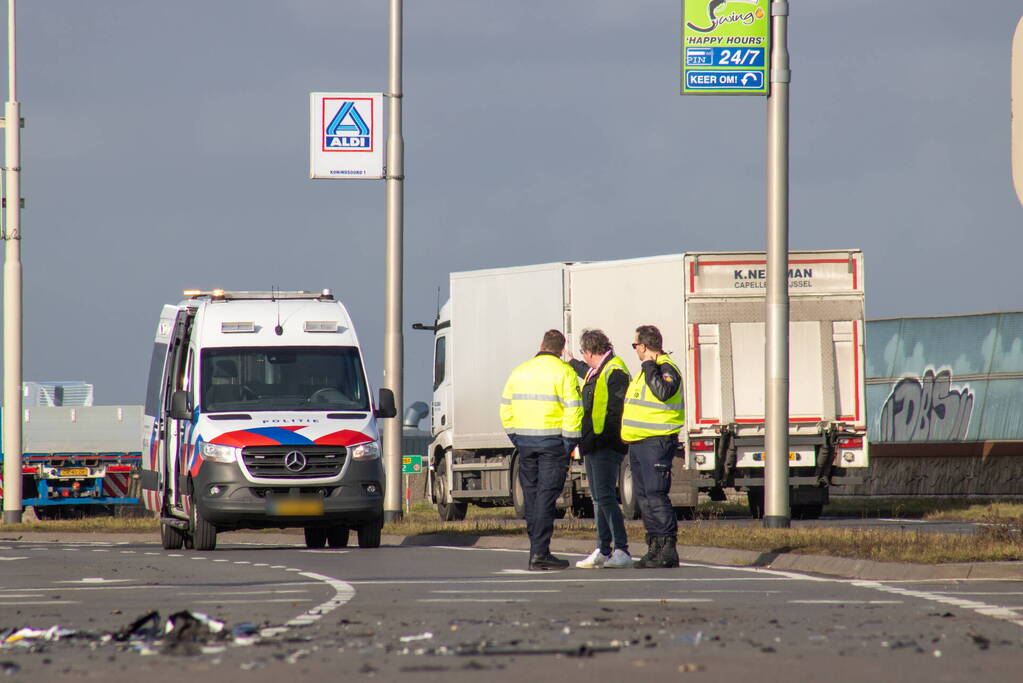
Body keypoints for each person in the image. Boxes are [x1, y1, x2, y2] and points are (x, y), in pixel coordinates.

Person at [500, 329, 583, 571]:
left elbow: (505, 409)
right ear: (561, 350)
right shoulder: (565, 372)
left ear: (541, 345)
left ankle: (537, 550)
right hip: (553, 444)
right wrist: (569, 444)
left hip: (525, 444)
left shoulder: (520, 371)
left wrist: (516, 436)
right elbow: (574, 410)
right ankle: (539, 553)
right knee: (546, 497)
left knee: (533, 497)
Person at [566, 329, 632, 569]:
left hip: (606, 443)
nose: (583, 359)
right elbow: (588, 377)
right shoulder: (598, 370)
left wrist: (602, 437)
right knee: (597, 498)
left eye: (584, 354)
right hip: (593, 444)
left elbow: (615, 410)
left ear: (591, 351)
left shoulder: (615, 370)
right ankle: (603, 549)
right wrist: (572, 362)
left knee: (605, 496)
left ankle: (621, 549)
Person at [621, 324, 685, 569]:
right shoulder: (646, 371)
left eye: (635, 345)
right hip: (639, 443)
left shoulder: (665, 367)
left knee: (656, 495)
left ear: (644, 346)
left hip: (656, 442)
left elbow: (664, 391)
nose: (635, 349)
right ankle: (654, 547)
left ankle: (668, 548)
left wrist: (649, 365)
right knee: (645, 497)